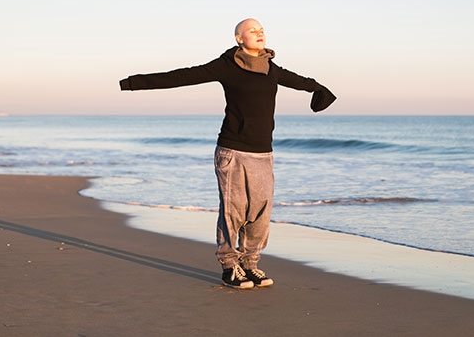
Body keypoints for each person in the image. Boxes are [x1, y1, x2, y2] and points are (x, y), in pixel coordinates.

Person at [119, 18, 336, 289]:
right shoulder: (227, 65)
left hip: (263, 153)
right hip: (232, 151)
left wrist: (319, 89)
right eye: (252, 30)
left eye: (262, 30)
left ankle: (250, 264)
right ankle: (229, 266)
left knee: (260, 213)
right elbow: (184, 75)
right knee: (233, 212)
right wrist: (132, 83)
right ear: (239, 38)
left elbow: (302, 81)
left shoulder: (272, 69)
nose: (259, 33)